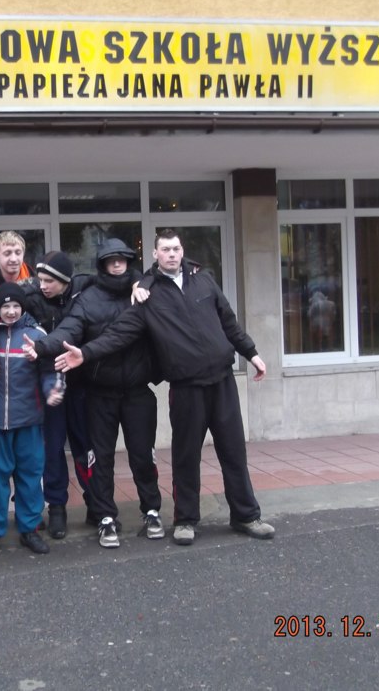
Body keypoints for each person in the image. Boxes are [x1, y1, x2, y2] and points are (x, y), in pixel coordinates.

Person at [52, 229, 276, 546]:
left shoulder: (204, 280)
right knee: (186, 456)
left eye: (176, 248)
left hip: (222, 380)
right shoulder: (148, 294)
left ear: (182, 251)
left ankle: (246, 515)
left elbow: (228, 320)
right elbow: (119, 333)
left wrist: (251, 353)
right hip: (186, 387)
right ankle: (185, 520)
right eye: (165, 249)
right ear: (155, 254)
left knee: (234, 452)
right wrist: (85, 354)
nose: (172, 254)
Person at [25, 239, 164, 549]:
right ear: (101, 264)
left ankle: (152, 511)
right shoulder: (88, 298)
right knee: (99, 459)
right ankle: (104, 516)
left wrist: (142, 282)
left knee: (143, 455)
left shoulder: (142, 293)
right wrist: (41, 347)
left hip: (138, 391)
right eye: (110, 260)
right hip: (100, 393)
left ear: (129, 262)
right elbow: (68, 330)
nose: (116, 264)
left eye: (122, 259)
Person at [0, 250, 92, 540]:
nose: (43, 285)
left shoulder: (42, 329)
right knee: (2, 476)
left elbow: (49, 369)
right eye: (41, 279)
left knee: (39, 471)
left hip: (57, 398)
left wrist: (53, 388)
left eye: (50, 281)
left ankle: (37, 526)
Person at [0, 283, 63, 561]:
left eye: (16, 306)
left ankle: (30, 528)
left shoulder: (36, 335)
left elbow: (50, 371)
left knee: (30, 477)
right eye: (5, 306)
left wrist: (52, 389)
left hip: (29, 420)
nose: (11, 311)